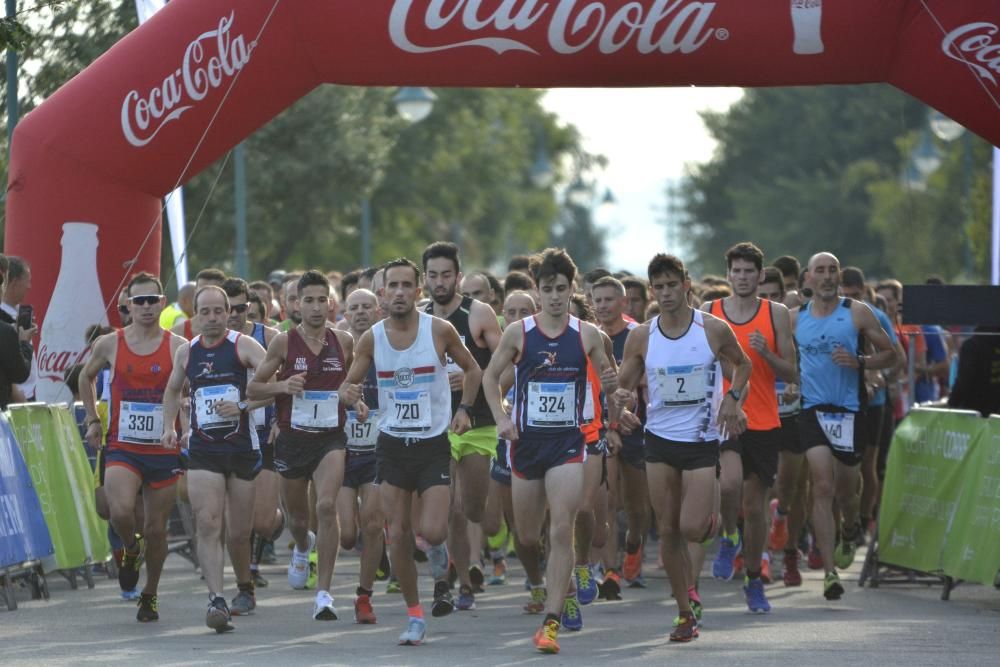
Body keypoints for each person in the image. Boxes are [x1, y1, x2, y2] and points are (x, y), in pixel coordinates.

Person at [339, 257, 482, 646]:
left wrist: (465, 409)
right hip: (391, 447)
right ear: (382, 295)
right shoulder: (372, 338)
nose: (400, 292)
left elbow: (473, 371)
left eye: (407, 285)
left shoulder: (439, 330)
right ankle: (415, 613)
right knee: (397, 533)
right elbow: (346, 386)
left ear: (418, 292)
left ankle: (445, 565)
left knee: (432, 529)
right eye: (393, 287)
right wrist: (352, 398)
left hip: (433, 445)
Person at [482, 248, 614, 654]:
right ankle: (560, 585)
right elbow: (490, 378)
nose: (555, 296)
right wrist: (501, 419)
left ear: (572, 290)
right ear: (537, 291)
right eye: (547, 289)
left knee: (561, 526)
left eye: (561, 289)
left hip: (568, 444)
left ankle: (551, 621)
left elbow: (610, 381)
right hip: (526, 444)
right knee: (526, 533)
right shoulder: (519, 332)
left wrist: (617, 398)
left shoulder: (587, 334)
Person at [614, 253, 750, 642]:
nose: (666, 292)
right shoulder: (643, 335)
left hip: (701, 440)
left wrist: (732, 398)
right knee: (670, 529)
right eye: (659, 286)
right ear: (653, 290)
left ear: (686, 284)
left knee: (692, 527)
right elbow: (625, 384)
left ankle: (711, 520)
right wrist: (619, 405)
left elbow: (743, 365)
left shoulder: (712, 329)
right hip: (658, 440)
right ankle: (684, 610)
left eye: (673, 284)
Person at [247, 271, 355, 621]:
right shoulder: (282, 343)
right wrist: (283, 388)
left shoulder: (345, 341)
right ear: (296, 304)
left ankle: (324, 594)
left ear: (331, 302)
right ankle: (303, 545)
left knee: (326, 506)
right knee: (298, 518)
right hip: (292, 440)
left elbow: (352, 386)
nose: (315, 306)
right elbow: (254, 390)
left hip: (330, 438)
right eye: (307, 300)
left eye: (321, 299)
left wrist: (356, 400)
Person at [79, 272, 187, 623]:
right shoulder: (111, 342)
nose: (145, 307)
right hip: (123, 444)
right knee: (120, 510)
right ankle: (129, 547)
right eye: (137, 301)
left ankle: (150, 594)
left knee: (157, 529)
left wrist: (182, 421)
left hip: (163, 447)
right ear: (127, 306)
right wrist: (94, 419)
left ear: (161, 302)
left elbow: (193, 386)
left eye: (151, 300)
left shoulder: (176, 346)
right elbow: (85, 376)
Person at [161, 285, 269, 632]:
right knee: (208, 523)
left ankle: (245, 586)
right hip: (204, 451)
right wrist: (169, 426)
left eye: (217, 312)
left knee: (239, 532)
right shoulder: (186, 353)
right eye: (204, 312)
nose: (211, 318)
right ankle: (216, 600)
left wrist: (242, 406)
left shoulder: (244, 346)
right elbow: (173, 389)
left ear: (229, 313)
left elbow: (275, 386)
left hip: (241, 449)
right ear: (194, 316)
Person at [793, 253, 897, 600]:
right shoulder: (796, 318)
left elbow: (893, 354)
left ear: (838, 276)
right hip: (812, 409)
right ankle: (829, 571)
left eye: (832, 270)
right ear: (807, 278)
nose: (826, 276)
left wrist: (861, 362)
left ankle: (850, 527)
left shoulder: (856, 312)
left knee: (846, 491)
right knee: (822, 486)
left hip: (850, 410)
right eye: (819, 271)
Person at [704, 243, 797, 614]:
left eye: (748, 271)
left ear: (760, 275)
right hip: (724, 416)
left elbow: (791, 372)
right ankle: (728, 537)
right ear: (728, 275)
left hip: (764, 418)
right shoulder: (710, 313)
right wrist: (733, 375)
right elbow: (702, 362)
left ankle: (754, 578)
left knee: (755, 507)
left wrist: (765, 354)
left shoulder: (775, 314)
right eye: (736, 271)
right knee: (728, 485)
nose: (742, 277)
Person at [422, 242, 503, 611]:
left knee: (473, 508)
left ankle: (473, 557)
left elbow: (507, 366)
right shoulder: (420, 318)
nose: (440, 282)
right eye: (433, 275)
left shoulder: (478, 313)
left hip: (479, 421)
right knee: (450, 507)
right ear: (425, 278)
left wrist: (475, 379)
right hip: (438, 424)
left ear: (457, 275)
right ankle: (460, 582)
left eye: (446, 275)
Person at [223, 278, 284, 589]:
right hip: (231, 436)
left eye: (240, 308)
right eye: (227, 308)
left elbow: (287, 384)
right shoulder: (212, 342)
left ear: (249, 307)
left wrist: (279, 419)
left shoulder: (269, 337)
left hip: (265, 433)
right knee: (238, 519)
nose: (233, 314)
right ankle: (247, 570)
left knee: (262, 521)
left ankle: (277, 519)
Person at [591, 276, 645, 591]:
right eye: (597, 300)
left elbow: (650, 378)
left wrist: (631, 403)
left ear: (622, 303)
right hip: (602, 426)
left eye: (608, 300)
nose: (602, 306)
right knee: (608, 499)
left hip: (635, 426)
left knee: (637, 507)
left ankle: (635, 545)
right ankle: (610, 570)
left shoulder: (637, 335)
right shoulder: (588, 336)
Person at [336, 288, 385, 624]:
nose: (361, 312)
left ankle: (364, 596)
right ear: (344, 312)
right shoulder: (335, 350)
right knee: (347, 535)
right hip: (340, 453)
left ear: (377, 310)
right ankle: (375, 554)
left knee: (372, 524)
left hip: (378, 453)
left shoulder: (387, 346)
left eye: (367, 306)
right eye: (354, 307)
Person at [0, 256, 35, 410]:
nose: (29, 286)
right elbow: (18, 374)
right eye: (27, 280)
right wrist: (24, 343)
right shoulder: (6, 329)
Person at [948, 325, 1000, 416]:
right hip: (995, 411)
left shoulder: (971, 346)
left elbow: (964, 380)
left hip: (972, 413)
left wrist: (952, 403)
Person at [172, 269, 226, 340]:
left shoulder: (238, 329)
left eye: (214, 291)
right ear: (195, 292)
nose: (208, 296)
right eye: (202, 291)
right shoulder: (177, 333)